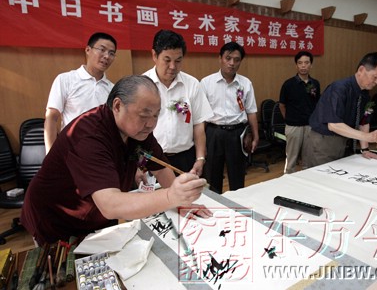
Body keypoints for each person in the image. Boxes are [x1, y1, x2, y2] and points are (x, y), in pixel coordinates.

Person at [21, 75, 209, 245]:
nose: (151, 124)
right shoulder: (88, 136)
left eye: (156, 115)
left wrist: (182, 203)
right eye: (144, 115)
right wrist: (171, 196)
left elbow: (160, 168)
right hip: (58, 218)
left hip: (97, 216)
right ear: (117, 106)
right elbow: (110, 205)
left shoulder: (138, 131)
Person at [143, 30, 213, 177]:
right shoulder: (141, 85)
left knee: (189, 199)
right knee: (157, 200)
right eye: (167, 60)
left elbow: (199, 124)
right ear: (154, 55)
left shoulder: (192, 84)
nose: (173, 66)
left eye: (178, 60)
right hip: (153, 158)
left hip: (185, 158)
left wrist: (200, 158)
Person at [303, 52, 377, 168]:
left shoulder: (365, 95)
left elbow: (364, 122)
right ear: (361, 70)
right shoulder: (339, 88)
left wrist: (365, 149)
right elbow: (334, 125)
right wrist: (368, 137)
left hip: (344, 141)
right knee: (320, 180)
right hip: (323, 142)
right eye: (375, 76)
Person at [201, 42, 259, 194]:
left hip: (237, 134)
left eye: (236, 59)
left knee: (237, 175)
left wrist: (256, 136)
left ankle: (238, 207)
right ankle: (215, 207)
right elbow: (202, 117)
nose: (232, 63)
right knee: (212, 175)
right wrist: (200, 143)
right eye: (228, 58)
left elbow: (251, 111)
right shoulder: (206, 83)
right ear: (220, 58)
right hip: (213, 133)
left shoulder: (245, 83)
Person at [44, 32, 117, 154]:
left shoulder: (113, 89)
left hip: (101, 154)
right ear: (88, 50)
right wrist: (50, 155)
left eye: (111, 53)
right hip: (72, 152)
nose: (106, 56)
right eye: (102, 50)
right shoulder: (66, 79)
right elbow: (51, 117)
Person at [279, 51, 321, 173]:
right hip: (293, 127)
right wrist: (288, 120)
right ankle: (288, 181)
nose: (303, 66)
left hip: (310, 126)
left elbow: (317, 104)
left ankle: (306, 182)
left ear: (311, 65)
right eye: (300, 63)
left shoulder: (315, 84)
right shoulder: (288, 84)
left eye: (306, 63)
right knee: (291, 160)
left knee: (308, 159)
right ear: (296, 65)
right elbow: (282, 105)